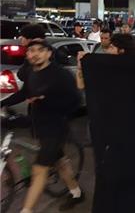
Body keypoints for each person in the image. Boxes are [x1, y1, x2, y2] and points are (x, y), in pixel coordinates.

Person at [1, 40, 84, 212]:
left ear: (48, 53)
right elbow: (24, 93)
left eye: (40, 50)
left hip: (56, 128)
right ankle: (76, 192)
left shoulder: (60, 74)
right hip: (38, 125)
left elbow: (76, 101)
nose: (35, 53)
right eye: (31, 50)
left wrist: (48, 103)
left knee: (39, 170)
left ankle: (27, 210)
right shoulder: (32, 72)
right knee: (59, 162)